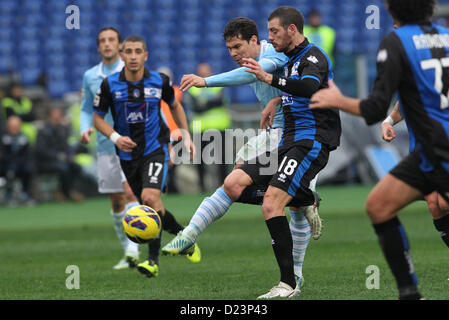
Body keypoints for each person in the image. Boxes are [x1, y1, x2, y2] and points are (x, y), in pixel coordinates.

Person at [168, 9, 341, 299]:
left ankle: (291, 280)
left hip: (306, 139)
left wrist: (206, 80)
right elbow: (291, 88)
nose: (269, 36)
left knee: (274, 202)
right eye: (230, 49)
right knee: (235, 183)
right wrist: (275, 102)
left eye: (273, 31)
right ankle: (190, 233)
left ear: (290, 30)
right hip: (283, 136)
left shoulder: (279, 56)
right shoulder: (290, 58)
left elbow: (292, 82)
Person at [309, 0, 448, 300]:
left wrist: (337, 100)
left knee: (386, 207)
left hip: (437, 149)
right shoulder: (446, 36)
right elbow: (417, 90)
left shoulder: (396, 41)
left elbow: (372, 108)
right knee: (383, 204)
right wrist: (391, 118)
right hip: (429, 152)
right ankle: (409, 293)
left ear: (393, 11)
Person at [93, 35, 200, 278]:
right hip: (127, 154)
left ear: (145, 55)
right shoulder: (110, 85)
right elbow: (97, 118)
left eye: (137, 51)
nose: (132, 56)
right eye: (128, 52)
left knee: (149, 198)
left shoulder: (159, 80)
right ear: (122, 56)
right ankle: (186, 237)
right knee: (152, 206)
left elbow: (175, 105)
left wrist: (186, 134)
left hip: (155, 148)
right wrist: (116, 139)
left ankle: (152, 261)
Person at [80, 27, 141, 270]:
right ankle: (127, 250)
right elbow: (87, 108)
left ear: (119, 46)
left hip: (130, 142)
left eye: (111, 40)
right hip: (105, 144)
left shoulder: (131, 71)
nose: (107, 44)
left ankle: (135, 249)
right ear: (98, 47)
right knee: (116, 201)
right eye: (102, 40)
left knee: (129, 192)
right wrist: (85, 128)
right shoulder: (90, 76)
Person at [382, 102, 449, 248]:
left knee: (444, 203)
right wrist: (387, 122)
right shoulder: (407, 83)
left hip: (442, 147)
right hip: (420, 152)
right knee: (434, 206)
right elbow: (401, 108)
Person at [183, 62, 232, 192]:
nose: (204, 73)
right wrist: (210, 102)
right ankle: (202, 187)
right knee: (200, 160)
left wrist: (204, 103)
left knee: (222, 160)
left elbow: (220, 101)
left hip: (220, 127)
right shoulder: (193, 87)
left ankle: (224, 186)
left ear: (210, 71)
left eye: (206, 71)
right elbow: (196, 107)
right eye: (202, 71)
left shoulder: (217, 85)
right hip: (200, 129)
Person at [35, 107, 85, 202]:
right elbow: (40, 150)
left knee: (76, 167)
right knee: (63, 168)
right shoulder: (43, 130)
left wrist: (70, 155)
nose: (58, 116)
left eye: (59, 114)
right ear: (50, 115)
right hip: (46, 162)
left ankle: (71, 190)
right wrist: (57, 156)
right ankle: (65, 192)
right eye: (55, 113)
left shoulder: (63, 129)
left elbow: (67, 145)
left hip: (61, 160)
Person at [0, 115, 34, 205]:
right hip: (5, 165)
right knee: (10, 171)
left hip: (20, 164)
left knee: (29, 169)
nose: (15, 129)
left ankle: (24, 193)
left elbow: (27, 153)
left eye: (17, 126)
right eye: (13, 126)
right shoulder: (2, 137)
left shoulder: (23, 137)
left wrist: (19, 162)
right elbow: (3, 153)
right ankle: (8, 194)